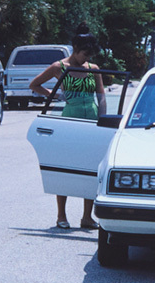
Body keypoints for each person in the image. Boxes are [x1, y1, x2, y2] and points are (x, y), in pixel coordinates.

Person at [29, 23, 106, 230]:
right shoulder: (59, 67)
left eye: (89, 55)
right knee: (64, 167)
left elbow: (101, 97)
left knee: (91, 169)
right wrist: (54, 96)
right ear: (75, 49)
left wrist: (104, 122)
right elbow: (34, 85)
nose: (86, 59)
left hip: (91, 122)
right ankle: (61, 215)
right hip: (69, 120)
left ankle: (87, 217)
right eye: (84, 54)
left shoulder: (93, 69)